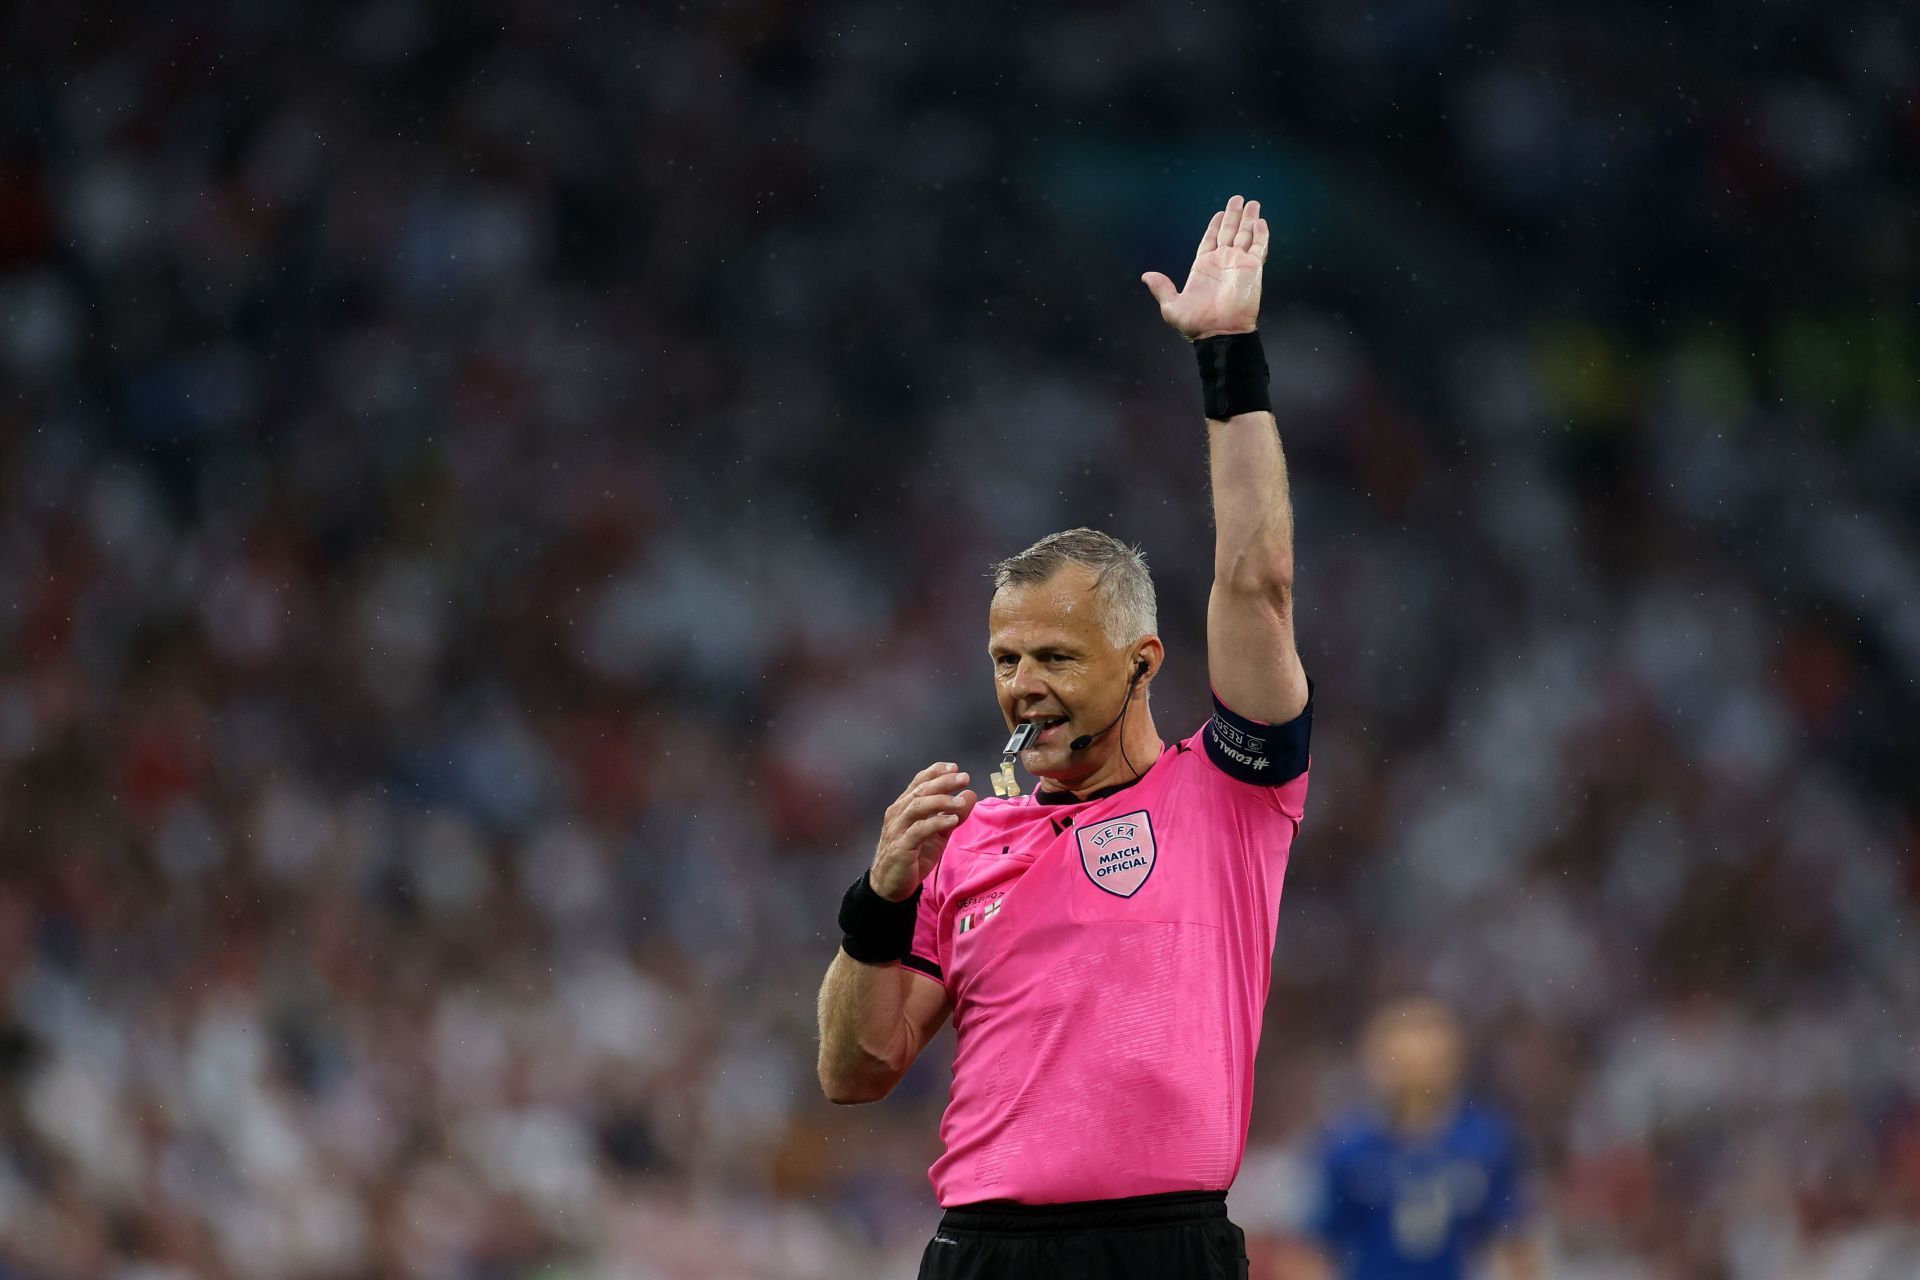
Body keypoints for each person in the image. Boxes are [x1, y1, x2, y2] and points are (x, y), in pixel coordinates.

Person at [815, 195, 1314, 1280]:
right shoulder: (967, 837)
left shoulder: (1231, 788)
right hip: (989, 1251)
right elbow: (854, 1068)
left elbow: (1258, 578)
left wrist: (1229, 355)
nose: (1023, 687)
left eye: (1056, 657)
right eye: (1006, 659)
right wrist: (880, 897)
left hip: (1168, 1246)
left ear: (1142, 662)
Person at [1305, 997, 1542, 1280]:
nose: (1417, 1068)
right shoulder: (1348, 1148)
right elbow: (1314, 1251)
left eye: (1430, 1056)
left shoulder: (1489, 1142)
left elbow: (1515, 1243)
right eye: (1404, 1058)